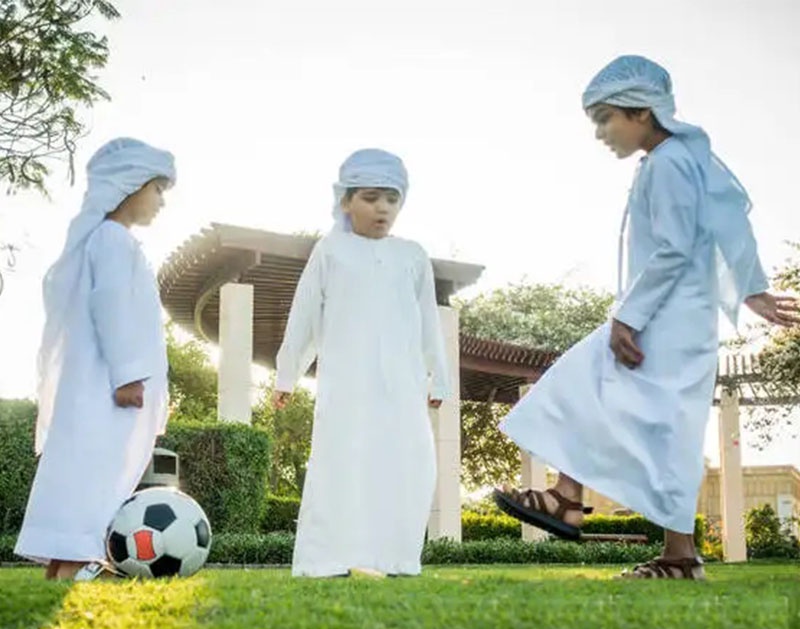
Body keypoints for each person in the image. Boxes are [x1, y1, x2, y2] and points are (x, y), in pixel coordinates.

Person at [494, 56, 800, 579]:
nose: (599, 133)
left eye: (605, 118)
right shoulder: (681, 158)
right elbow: (728, 223)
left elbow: (676, 249)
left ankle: (570, 500)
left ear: (641, 112)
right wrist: (751, 289)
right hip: (678, 315)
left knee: (586, 381)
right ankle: (670, 553)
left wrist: (628, 318)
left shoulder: (669, 163)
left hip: (666, 317)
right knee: (662, 427)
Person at [274, 148, 450, 578]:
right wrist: (287, 374)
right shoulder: (331, 250)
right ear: (345, 201)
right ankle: (326, 560)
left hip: (403, 387)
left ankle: (396, 559)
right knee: (342, 466)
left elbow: (429, 320)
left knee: (406, 465)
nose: (383, 208)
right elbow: (305, 317)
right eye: (371, 197)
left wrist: (439, 378)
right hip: (346, 386)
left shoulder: (412, 256)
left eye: (392, 198)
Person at [14, 138, 176, 581]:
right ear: (129, 185)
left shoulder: (107, 241)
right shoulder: (111, 240)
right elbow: (112, 308)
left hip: (98, 388)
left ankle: (62, 566)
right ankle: (78, 560)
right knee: (97, 473)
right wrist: (129, 376)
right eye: (157, 189)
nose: (162, 201)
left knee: (89, 471)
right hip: (108, 389)